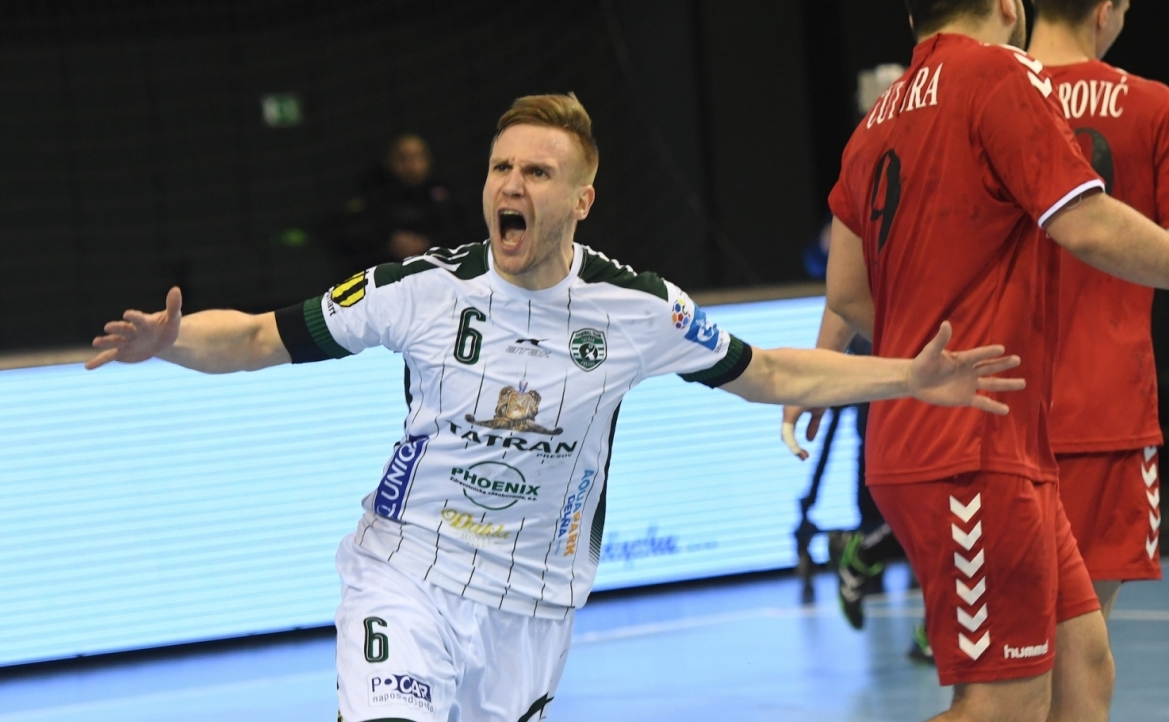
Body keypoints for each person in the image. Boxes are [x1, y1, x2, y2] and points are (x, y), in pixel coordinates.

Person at [87, 93, 1026, 722]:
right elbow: (258, 338)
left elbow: (771, 373)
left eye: (537, 173)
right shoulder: (420, 289)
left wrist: (909, 377)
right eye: (501, 167)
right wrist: (170, 341)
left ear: (581, 199)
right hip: (406, 573)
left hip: (535, 602)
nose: (510, 185)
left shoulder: (639, 310)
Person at [809, 0, 1169, 719]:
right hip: (968, 450)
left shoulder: (874, 121)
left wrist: (921, 344)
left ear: (914, 12)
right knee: (1002, 704)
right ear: (1009, 0)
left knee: (1084, 669)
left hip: (970, 439)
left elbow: (845, 292)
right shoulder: (1000, 75)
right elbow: (1085, 225)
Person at [1029, 0, 1162, 633]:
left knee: (1014, 644)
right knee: (1084, 639)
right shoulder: (1150, 105)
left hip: (997, 406)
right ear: (1105, 12)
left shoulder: (984, 95)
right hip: (1107, 410)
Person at [325, 133, 463, 276]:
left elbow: (459, 233)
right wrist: (387, 242)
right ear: (389, 161)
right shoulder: (373, 193)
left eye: (417, 156)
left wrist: (428, 243)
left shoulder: (442, 192)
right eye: (403, 158)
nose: (411, 165)